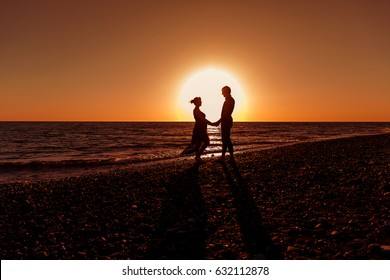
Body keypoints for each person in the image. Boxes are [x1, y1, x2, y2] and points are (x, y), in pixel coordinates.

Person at [214, 86, 235, 162]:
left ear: (227, 91)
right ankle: (225, 157)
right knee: (225, 139)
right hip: (225, 121)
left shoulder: (230, 100)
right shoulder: (229, 100)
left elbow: (226, 114)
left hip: (226, 121)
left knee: (226, 139)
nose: (222, 93)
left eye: (223, 91)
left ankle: (230, 157)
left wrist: (218, 121)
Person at [190, 97, 214, 163]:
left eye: (201, 101)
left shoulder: (198, 110)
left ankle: (198, 157)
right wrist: (212, 124)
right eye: (200, 101)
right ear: (196, 102)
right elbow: (203, 119)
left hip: (202, 128)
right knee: (205, 142)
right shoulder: (196, 110)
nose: (201, 102)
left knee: (200, 143)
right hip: (199, 129)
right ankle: (198, 157)